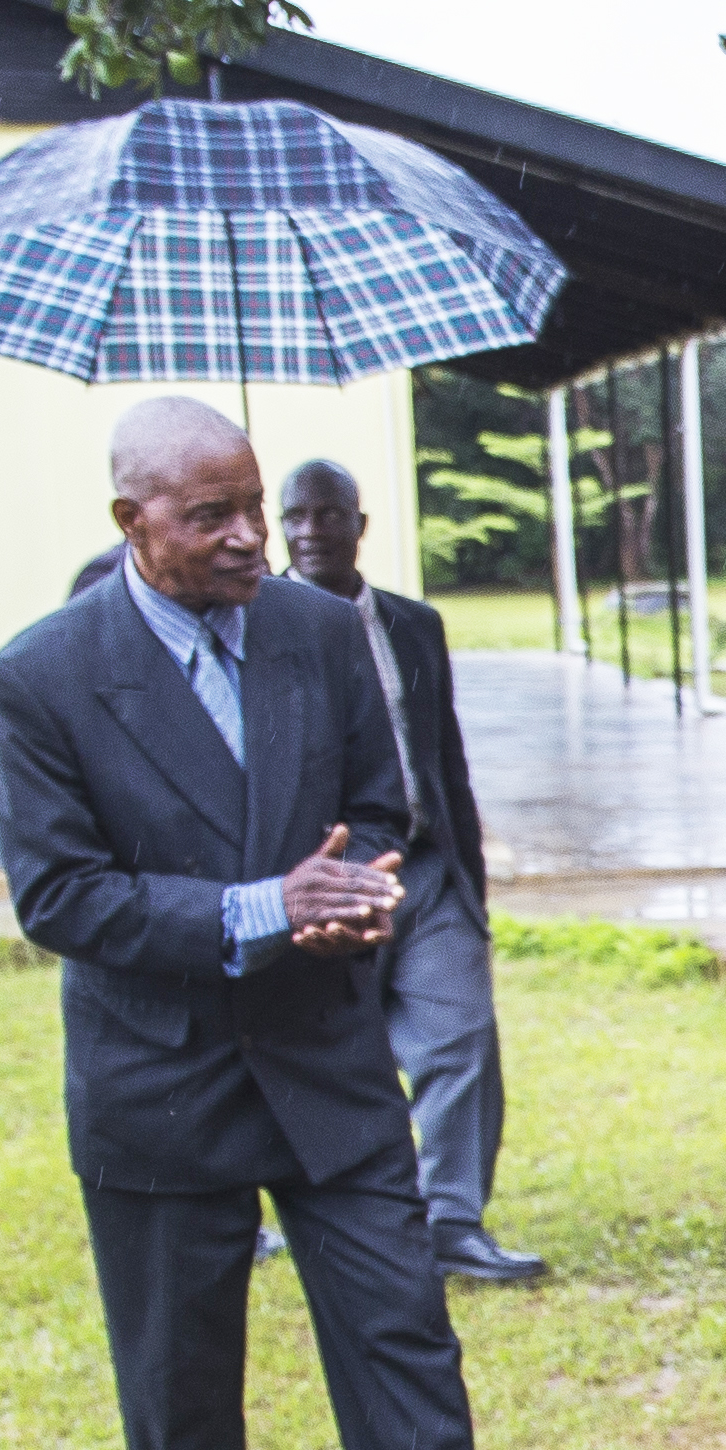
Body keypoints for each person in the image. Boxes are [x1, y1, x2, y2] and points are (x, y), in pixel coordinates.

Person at [0, 397, 605, 1450]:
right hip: (158, 1082)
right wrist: (272, 906)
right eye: (209, 514)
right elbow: (63, 900)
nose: (247, 536)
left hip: (325, 1061)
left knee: (403, 1340)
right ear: (129, 521)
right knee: (180, 1379)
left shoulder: (323, 635)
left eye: (252, 504)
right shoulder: (38, 677)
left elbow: (383, 808)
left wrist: (366, 885)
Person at [274, 459, 541, 1288]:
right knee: (319, 1054)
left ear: (361, 524)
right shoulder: (256, 628)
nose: (310, 531)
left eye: (327, 515)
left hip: (427, 869)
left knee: (460, 1040)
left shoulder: (411, 625)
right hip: (325, 876)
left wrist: (471, 879)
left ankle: (453, 1222)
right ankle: (316, 1215)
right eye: (294, 517)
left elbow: (444, 754)